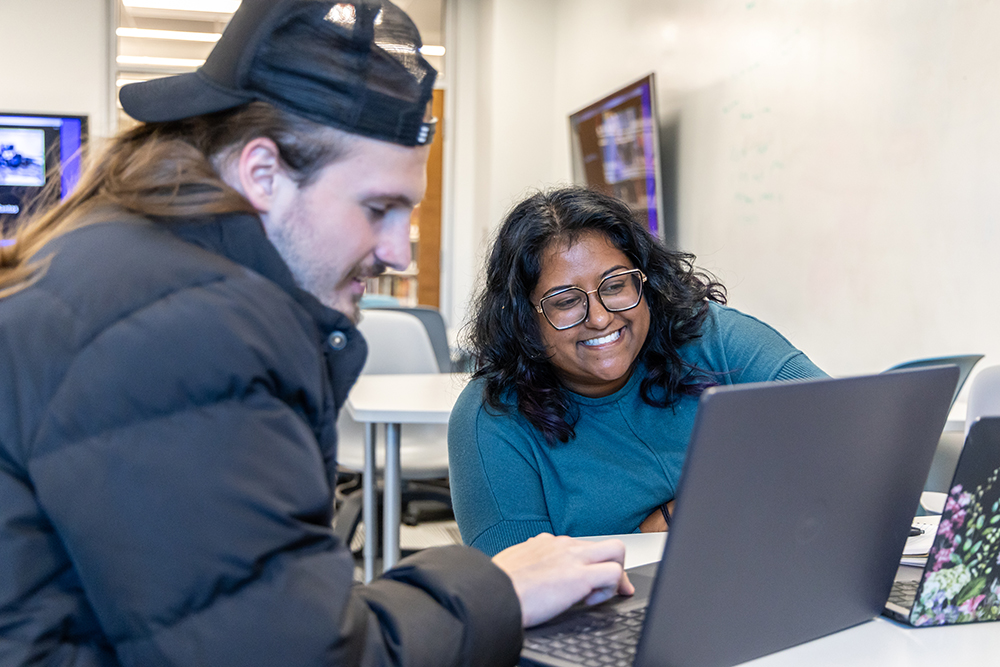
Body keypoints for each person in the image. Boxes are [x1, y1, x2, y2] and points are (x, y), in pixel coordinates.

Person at [0, 2, 633, 665]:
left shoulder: (126, 260)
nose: (398, 252)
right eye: (377, 208)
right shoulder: (189, 329)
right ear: (263, 172)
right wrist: (498, 588)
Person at [449, 187, 828, 557]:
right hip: (604, 612)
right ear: (523, 318)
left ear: (645, 282)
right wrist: (702, 505)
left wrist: (667, 519)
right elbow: (520, 590)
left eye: (615, 285)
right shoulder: (492, 418)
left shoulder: (710, 337)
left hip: (764, 571)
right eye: (565, 302)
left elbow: (842, 427)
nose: (599, 318)